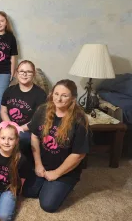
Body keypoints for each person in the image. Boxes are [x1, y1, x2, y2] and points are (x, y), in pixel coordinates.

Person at [22, 79, 90, 213]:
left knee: (48, 205)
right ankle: (46, 182)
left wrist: (56, 173)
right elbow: (35, 136)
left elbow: (79, 154)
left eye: (64, 95)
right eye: (56, 94)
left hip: (65, 171)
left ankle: (62, 185)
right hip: (43, 164)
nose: (58, 99)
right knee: (28, 192)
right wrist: (38, 164)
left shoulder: (79, 120)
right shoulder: (43, 110)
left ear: (73, 99)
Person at [0, 60, 46, 160]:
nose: (24, 74)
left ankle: (19, 166)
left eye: (28, 72)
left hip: (27, 130)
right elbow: (3, 111)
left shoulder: (40, 94)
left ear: (33, 74)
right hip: (8, 126)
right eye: (21, 71)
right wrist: (10, 126)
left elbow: (37, 120)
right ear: (16, 73)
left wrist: (18, 129)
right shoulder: (9, 90)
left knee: (22, 141)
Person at [0, 121, 32, 221]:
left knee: (4, 217)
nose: (6, 142)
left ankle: (8, 201)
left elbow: (23, 177)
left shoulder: (21, 159)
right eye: (3, 138)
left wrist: (17, 191)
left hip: (10, 189)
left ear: (17, 140)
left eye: (11, 139)